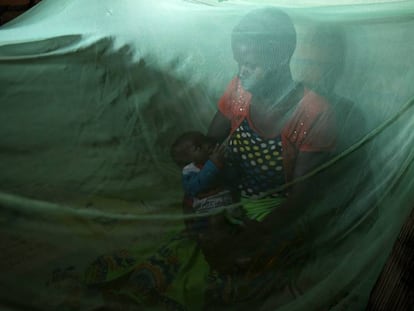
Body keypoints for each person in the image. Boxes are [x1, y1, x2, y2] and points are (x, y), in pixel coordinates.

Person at [203, 7, 338, 309]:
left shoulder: (314, 113)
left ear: (280, 59)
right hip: (234, 196)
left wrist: (253, 234)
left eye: (250, 64)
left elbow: (301, 198)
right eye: (239, 62)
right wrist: (211, 207)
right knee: (205, 231)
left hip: (275, 212)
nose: (241, 72)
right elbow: (208, 143)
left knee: (250, 269)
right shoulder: (239, 90)